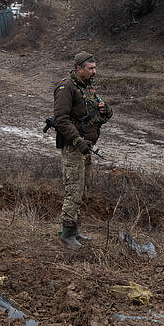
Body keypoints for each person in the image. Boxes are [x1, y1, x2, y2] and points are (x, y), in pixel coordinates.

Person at [52, 51, 112, 249]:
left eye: (95, 68)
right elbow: (61, 119)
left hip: (85, 147)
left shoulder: (87, 88)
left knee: (81, 190)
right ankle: (67, 234)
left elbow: (101, 112)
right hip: (73, 147)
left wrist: (106, 109)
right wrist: (77, 140)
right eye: (90, 68)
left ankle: (75, 230)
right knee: (73, 190)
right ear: (79, 69)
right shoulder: (66, 87)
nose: (94, 72)